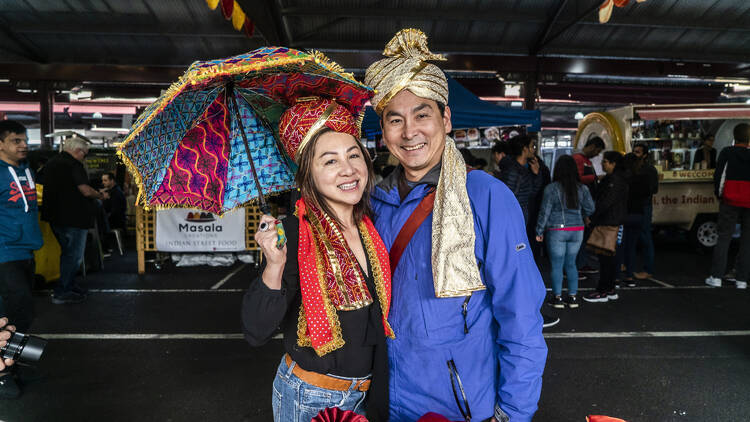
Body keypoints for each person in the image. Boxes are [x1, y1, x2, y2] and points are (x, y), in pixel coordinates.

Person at [365, 28, 547, 422]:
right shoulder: (373, 203)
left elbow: (521, 317)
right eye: (395, 120)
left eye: (422, 115)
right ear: (384, 132)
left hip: (460, 407)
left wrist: (513, 413)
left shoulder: (485, 196)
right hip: (385, 401)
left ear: (446, 119)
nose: (410, 132)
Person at [242, 97, 393, 422]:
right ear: (306, 175)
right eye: (330, 161)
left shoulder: (373, 228)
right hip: (311, 398)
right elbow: (256, 331)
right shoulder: (294, 235)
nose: (348, 169)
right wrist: (274, 265)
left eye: (354, 155)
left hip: (369, 392)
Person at [0, 121, 42, 399]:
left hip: (26, 251)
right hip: (4, 253)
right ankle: (3, 373)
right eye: (16, 140)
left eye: (25, 139)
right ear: (1, 144)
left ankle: (9, 363)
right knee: (9, 314)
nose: (24, 144)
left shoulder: (26, 169)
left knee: (22, 313)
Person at [41, 136, 108, 304]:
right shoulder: (74, 164)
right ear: (78, 151)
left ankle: (68, 285)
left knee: (67, 253)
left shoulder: (51, 163)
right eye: (84, 154)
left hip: (55, 216)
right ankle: (63, 290)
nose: (84, 157)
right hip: (74, 217)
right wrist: (100, 195)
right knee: (74, 256)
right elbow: (85, 190)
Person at [535, 155, 594, 309]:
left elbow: (545, 211)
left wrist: (539, 230)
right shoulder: (582, 188)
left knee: (556, 265)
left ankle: (557, 298)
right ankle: (573, 297)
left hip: (556, 230)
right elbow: (591, 208)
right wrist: (582, 215)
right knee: (571, 264)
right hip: (577, 230)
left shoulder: (551, 188)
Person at [705, 123, 750, 289]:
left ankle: (716, 276)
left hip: (729, 200)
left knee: (724, 237)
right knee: (747, 240)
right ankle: (742, 280)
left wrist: (719, 194)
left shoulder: (727, 152)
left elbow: (719, 176)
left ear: (734, 137)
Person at [584, 151, 628, 303]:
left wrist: (593, 218)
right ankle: (609, 289)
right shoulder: (619, 179)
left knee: (605, 259)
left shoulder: (614, 180)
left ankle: (602, 291)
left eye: (605, 161)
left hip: (609, 223)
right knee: (609, 258)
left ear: (613, 164)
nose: (602, 164)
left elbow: (605, 203)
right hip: (613, 222)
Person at [620, 153, 651, 287]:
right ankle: (629, 277)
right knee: (631, 247)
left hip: (624, 214)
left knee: (620, 246)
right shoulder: (643, 178)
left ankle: (615, 277)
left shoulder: (623, 179)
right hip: (638, 214)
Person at [497, 134, 543, 222]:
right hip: (513, 215)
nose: (534, 149)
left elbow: (532, 192)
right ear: (525, 149)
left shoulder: (526, 168)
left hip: (521, 213)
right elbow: (507, 196)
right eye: (532, 146)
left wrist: (536, 173)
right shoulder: (513, 170)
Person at [631, 144, 659, 280]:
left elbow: (653, 189)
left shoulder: (649, 170)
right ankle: (627, 264)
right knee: (632, 236)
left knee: (645, 236)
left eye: (638, 152)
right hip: (633, 206)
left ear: (645, 155)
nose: (635, 154)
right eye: (634, 151)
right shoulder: (633, 167)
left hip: (643, 206)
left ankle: (648, 269)